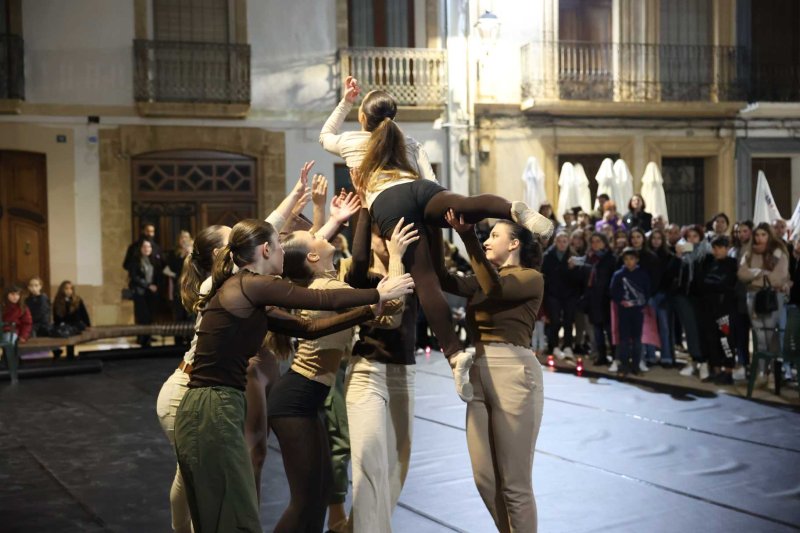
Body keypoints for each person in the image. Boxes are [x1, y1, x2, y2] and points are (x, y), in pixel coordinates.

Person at [173, 218, 414, 533]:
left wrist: (370, 310)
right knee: (233, 517)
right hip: (211, 407)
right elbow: (321, 299)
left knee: (223, 516)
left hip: (215, 406)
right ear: (265, 249)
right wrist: (377, 294)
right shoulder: (251, 284)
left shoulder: (251, 293)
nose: (284, 253)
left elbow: (308, 327)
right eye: (279, 245)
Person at [321, 76, 553, 401]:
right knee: (468, 205)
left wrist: (346, 100)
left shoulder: (351, 141)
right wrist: (436, 219)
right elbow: (432, 183)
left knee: (427, 281)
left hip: (389, 203)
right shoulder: (409, 142)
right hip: (423, 193)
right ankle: (512, 210)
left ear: (364, 118)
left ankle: (456, 355)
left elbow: (324, 135)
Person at [156, 164, 315, 532]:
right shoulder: (218, 282)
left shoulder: (233, 280)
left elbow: (268, 228)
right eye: (230, 242)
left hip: (195, 389)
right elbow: (268, 226)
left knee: (195, 474)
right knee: (204, 476)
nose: (238, 245)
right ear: (218, 254)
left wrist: (294, 199)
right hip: (185, 394)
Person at [268, 220, 414, 533]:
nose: (320, 235)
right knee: (305, 500)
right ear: (312, 257)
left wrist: (336, 216)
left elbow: (352, 266)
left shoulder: (329, 282)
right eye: (314, 237)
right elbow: (394, 308)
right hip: (294, 401)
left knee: (317, 496)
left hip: (306, 400)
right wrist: (397, 254)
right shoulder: (328, 288)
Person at [440, 211, 545, 533]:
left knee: (514, 484)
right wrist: (430, 231)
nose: (486, 240)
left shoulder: (530, 277)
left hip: (513, 372)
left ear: (514, 243)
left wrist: (467, 235)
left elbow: (495, 288)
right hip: (478, 372)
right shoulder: (484, 277)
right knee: (485, 479)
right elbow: (445, 280)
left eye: (493, 235)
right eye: (484, 237)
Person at [737, 223, 790, 384]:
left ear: (769, 235)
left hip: (771, 297)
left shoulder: (778, 252)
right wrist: (760, 272)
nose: (760, 238)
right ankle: (762, 372)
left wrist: (756, 278)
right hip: (752, 296)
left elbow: (778, 277)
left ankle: (774, 373)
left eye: (763, 235)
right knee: (759, 336)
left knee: (771, 335)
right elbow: (742, 273)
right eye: (758, 235)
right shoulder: (749, 251)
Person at [572, 233, 616, 366]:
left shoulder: (611, 258)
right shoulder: (589, 259)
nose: (596, 244)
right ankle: (601, 356)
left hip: (606, 299)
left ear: (604, 243)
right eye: (593, 241)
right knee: (597, 330)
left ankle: (615, 356)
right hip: (593, 299)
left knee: (609, 330)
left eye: (598, 241)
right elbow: (583, 278)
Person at [699, 236, 738, 384]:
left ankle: (728, 371)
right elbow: (702, 283)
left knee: (726, 340)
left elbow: (727, 284)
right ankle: (716, 370)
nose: (717, 251)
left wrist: (714, 284)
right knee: (711, 339)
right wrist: (714, 284)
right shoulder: (709, 263)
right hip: (709, 307)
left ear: (727, 249)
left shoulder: (732, 264)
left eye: (720, 248)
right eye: (714, 248)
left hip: (725, 308)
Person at [674, 225, 711, 380]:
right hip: (684, 297)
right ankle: (693, 360)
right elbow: (672, 274)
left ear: (701, 237)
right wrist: (678, 256)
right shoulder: (682, 255)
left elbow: (706, 277)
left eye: (695, 236)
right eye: (689, 236)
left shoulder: (706, 254)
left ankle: (703, 362)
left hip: (701, 298)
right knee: (690, 330)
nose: (692, 239)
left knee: (702, 329)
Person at [610, 248, 650, 375]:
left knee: (637, 339)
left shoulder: (643, 275)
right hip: (624, 311)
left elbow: (647, 292)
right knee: (624, 339)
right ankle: (624, 365)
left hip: (637, 311)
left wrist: (639, 303)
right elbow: (613, 291)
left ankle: (636, 365)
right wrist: (620, 301)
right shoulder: (618, 275)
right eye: (626, 259)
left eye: (632, 259)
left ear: (637, 260)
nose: (629, 262)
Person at [541, 231, 581, 359]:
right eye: (559, 241)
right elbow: (544, 276)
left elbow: (579, 278)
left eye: (565, 241)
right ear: (555, 242)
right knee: (555, 321)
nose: (562, 244)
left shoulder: (574, 256)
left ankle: (568, 346)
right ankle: (554, 346)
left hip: (570, 294)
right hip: (553, 294)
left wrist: (572, 269)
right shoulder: (547, 256)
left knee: (568, 321)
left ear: (568, 242)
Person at [629, 227, 661, 371]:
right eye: (633, 237)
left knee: (649, 328)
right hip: (631, 298)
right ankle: (640, 358)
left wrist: (647, 295)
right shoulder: (626, 255)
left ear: (643, 239)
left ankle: (650, 356)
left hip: (648, 297)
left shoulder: (651, 257)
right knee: (637, 330)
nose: (635, 240)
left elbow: (655, 279)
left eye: (638, 237)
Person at [647, 230, 679, 367]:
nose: (656, 241)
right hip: (649, 294)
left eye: (659, 238)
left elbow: (671, 275)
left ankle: (666, 356)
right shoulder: (646, 256)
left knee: (665, 327)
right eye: (653, 238)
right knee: (649, 327)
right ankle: (650, 356)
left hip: (664, 294)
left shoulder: (669, 255)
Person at [125, 239, 162, 348]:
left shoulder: (153, 260)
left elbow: (157, 275)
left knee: (150, 316)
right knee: (142, 316)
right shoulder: (135, 261)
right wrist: (148, 285)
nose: (147, 249)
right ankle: (142, 339)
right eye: (145, 247)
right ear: (141, 249)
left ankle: (148, 338)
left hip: (151, 293)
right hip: (140, 292)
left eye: (149, 247)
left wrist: (155, 286)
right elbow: (134, 277)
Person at [729, 221, 754, 380]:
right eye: (739, 231)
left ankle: (759, 369)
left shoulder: (755, 250)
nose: (741, 234)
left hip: (752, 295)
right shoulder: (735, 249)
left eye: (745, 231)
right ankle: (743, 364)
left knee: (759, 336)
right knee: (740, 333)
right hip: (738, 296)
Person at [165, 230, 194, 343]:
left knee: (190, 315)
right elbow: (170, 269)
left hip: (191, 288)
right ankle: (178, 342)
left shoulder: (194, 253)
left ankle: (190, 341)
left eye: (186, 237)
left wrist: (189, 254)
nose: (183, 240)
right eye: (181, 238)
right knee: (178, 315)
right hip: (178, 287)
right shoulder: (173, 253)